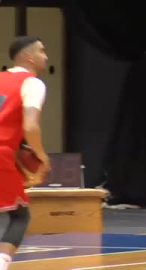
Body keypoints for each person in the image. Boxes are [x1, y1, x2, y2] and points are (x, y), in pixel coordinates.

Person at [0, 36, 51, 270]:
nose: (46, 56)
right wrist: (42, 156)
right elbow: (30, 126)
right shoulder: (32, 83)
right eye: (42, 51)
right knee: (20, 216)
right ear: (29, 57)